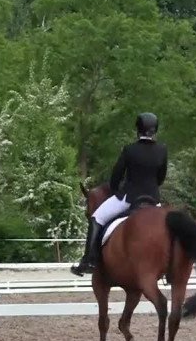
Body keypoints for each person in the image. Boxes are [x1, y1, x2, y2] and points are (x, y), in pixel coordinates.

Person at [70, 112, 168, 276]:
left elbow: (116, 175)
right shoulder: (162, 150)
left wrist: (116, 191)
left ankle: (89, 260)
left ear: (138, 130)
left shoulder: (129, 150)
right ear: (155, 130)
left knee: (96, 218)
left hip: (129, 197)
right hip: (153, 199)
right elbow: (161, 178)